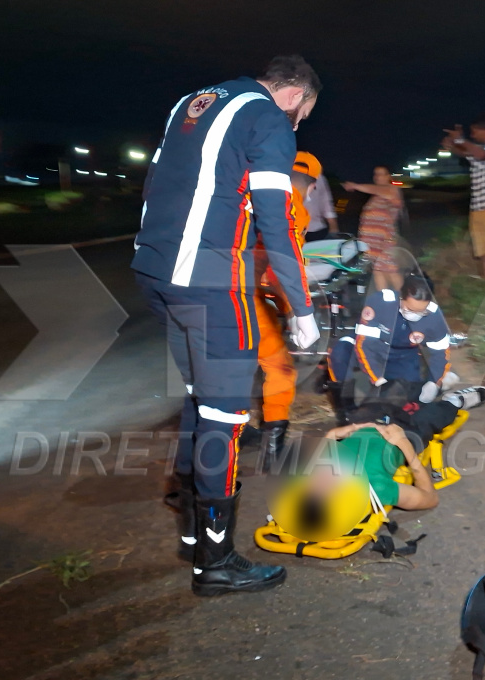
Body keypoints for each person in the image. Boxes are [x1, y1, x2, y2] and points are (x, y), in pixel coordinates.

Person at [133, 55, 322, 597]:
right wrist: (301, 309)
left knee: (200, 400)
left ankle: (194, 535)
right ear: (296, 96)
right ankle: (216, 562)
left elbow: (156, 185)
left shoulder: (192, 102)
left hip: (155, 270)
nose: (298, 124)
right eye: (303, 114)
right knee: (226, 417)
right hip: (211, 283)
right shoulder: (268, 118)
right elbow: (277, 222)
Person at [307, 386, 485, 514]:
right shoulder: (375, 489)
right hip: (405, 435)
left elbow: (330, 437)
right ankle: (453, 401)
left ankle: (427, 389)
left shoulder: (318, 472)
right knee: (429, 418)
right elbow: (430, 499)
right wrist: (403, 443)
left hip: (366, 421)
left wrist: (351, 428)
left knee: (387, 392)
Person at [252, 151, 322, 472]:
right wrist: (298, 310)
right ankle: (274, 450)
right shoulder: (293, 206)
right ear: (312, 186)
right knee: (279, 369)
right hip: (246, 295)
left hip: (211, 288)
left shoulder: (250, 194)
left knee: (228, 369)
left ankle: (226, 435)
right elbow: (285, 266)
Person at [325, 276, 459, 424]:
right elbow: (364, 346)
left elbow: (441, 354)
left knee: (408, 399)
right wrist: (377, 379)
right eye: (410, 309)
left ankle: (443, 383)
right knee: (339, 354)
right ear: (400, 297)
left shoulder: (435, 317)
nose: (415, 316)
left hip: (403, 355)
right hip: (370, 346)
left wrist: (435, 382)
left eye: (422, 312)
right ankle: (346, 410)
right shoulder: (381, 303)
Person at [442, 116, 485, 279]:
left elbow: (480, 154)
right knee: (482, 248)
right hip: (478, 205)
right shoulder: (481, 148)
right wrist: (452, 146)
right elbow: (466, 153)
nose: (473, 136)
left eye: (474, 132)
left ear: (484, 130)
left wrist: (460, 139)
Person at [344, 166, 403, 291]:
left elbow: (375, 189)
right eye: (375, 174)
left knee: (391, 269)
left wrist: (355, 186)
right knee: (377, 270)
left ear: (389, 177)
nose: (377, 177)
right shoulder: (376, 196)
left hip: (384, 240)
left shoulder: (392, 190)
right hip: (372, 242)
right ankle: (384, 299)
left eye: (381, 174)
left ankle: (404, 299)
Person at [303, 172, 339, 242]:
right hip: (291, 229)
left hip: (316, 228)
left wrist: (333, 225)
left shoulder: (318, 177)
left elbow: (326, 201)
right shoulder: (286, 174)